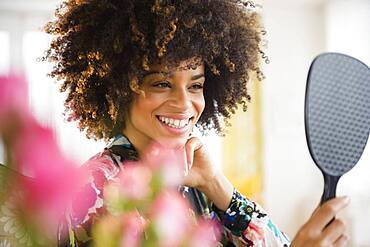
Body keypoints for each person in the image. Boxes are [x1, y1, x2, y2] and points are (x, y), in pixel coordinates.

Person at [44, 0, 349, 246]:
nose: (184, 103)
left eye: (195, 85)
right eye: (161, 83)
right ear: (119, 89)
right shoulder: (96, 188)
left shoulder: (193, 180)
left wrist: (216, 184)